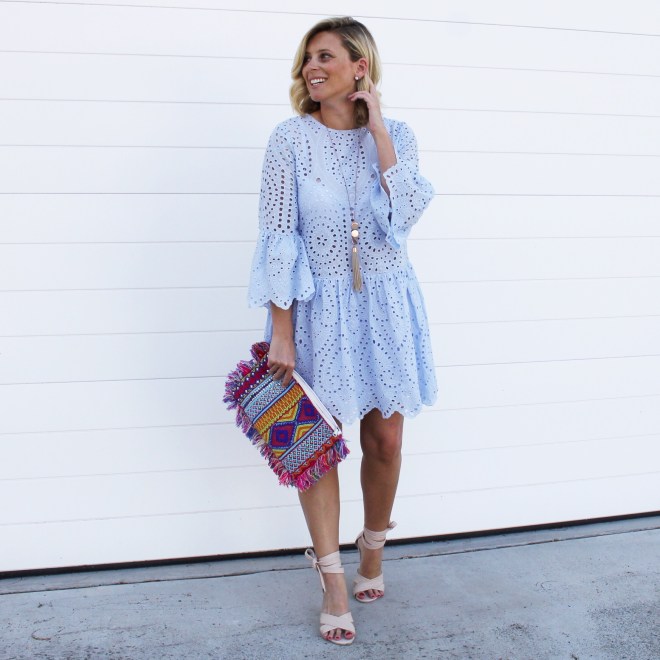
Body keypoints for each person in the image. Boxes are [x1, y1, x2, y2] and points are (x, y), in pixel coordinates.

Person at [247, 16, 437, 646]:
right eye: (308, 58)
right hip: (317, 308)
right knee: (317, 444)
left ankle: (372, 545)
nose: (312, 68)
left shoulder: (398, 135)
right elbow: (279, 235)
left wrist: (377, 128)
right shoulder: (289, 139)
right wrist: (281, 328)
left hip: (385, 304)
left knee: (385, 439)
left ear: (360, 65)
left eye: (325, 56)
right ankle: (331, 578)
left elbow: (405, 215)